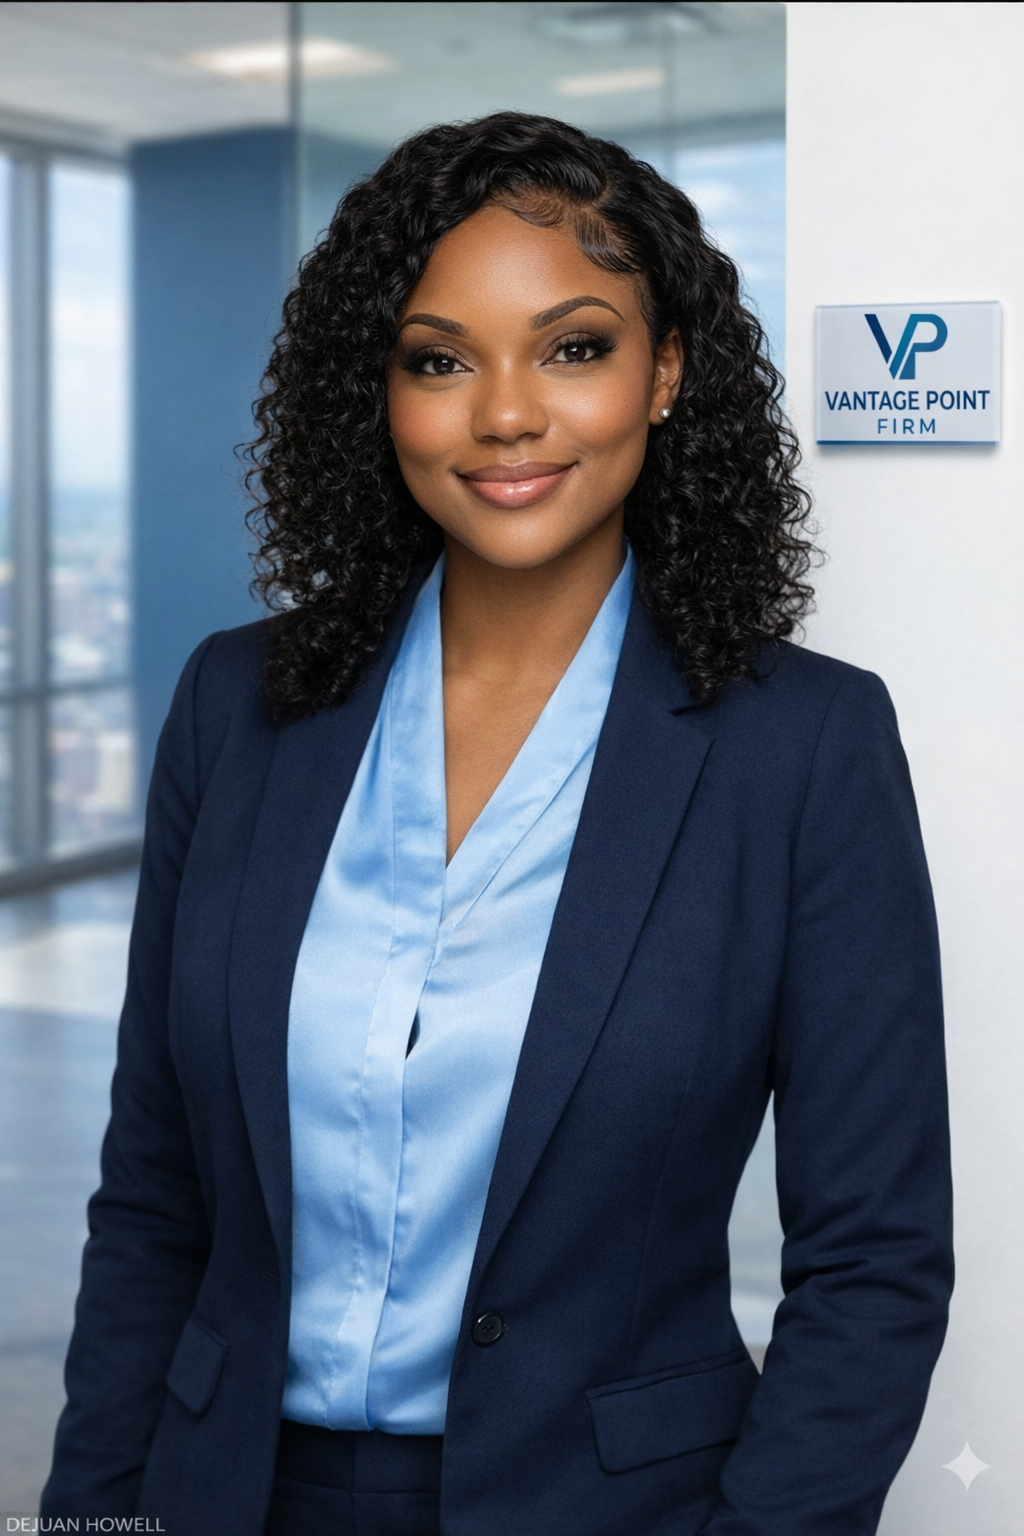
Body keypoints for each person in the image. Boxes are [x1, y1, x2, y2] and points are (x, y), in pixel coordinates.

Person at [42, 112, 953, 1536]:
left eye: (575, 347)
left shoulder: (803, 746)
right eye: (440, 359)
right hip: (221, 1492)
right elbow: (154, 1197)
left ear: (667, 374)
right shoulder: (239, 704)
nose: (506, 412)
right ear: (382, 394)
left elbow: (877, 1259)